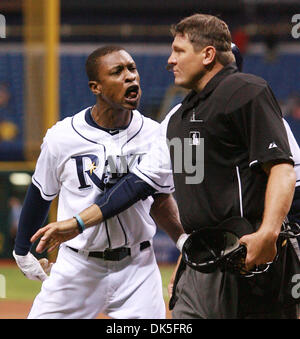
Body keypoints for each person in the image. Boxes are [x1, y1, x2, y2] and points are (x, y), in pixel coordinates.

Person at [31, 15, 300, 319]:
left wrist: (269, 233)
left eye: (179, 51)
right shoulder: (176, 119)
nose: (170, 61)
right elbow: (136, 185)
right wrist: (189, 256)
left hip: (251, 251)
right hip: (204, 256)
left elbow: (286, 172)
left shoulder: (246, 93)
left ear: (209, 55)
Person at [13, 45, 184, 319]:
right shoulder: (63, 136)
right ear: (96, 87)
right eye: (117, 72)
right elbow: (41, 193)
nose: (131, 77)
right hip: (78, 265)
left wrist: (184, 242)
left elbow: (161, 200)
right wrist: (22, 249)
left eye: (132, 68)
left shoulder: (155, 135)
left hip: (137, 267)